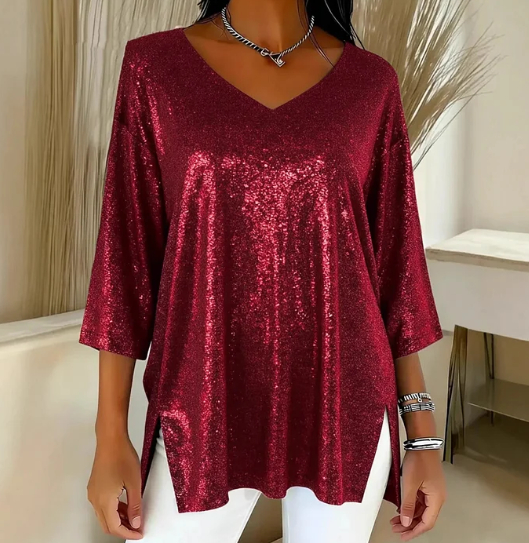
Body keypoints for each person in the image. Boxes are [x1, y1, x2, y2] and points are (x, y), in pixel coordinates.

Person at [79, 1, 447, 541]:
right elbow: (126, 258)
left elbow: (395, 273)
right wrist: (110, 433)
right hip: (201, 402)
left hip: (346, 404)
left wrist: (422, 435)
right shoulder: (154, 70)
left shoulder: (371, 84)